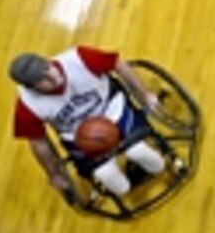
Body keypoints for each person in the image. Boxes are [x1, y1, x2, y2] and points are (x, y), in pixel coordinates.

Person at [9, 46, 164, 196]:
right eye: (41, 80)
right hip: (79, 135)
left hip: (112, 110)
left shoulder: (79, 58)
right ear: (30, 87)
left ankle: (148, 164)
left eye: (47, 69)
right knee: (113, 181)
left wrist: (145, 93)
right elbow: (39, 143)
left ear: (48, 62)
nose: (52, 77)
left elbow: (117, 63)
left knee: (145, 156)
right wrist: (53, 174)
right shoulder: (27, 106)